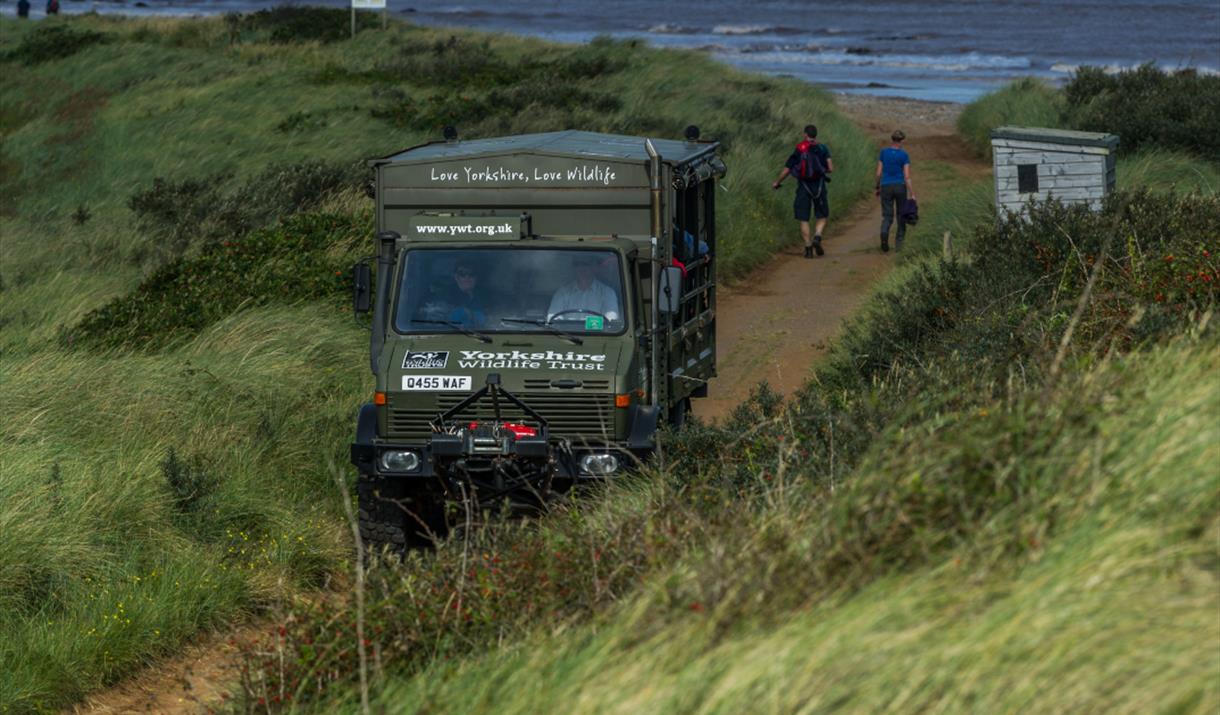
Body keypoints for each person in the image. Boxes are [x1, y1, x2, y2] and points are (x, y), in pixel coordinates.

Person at [772, 124, 833, 258]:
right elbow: (830, 168)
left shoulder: (800, 149)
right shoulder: (823, 148)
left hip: (803, 187)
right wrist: (820, 171)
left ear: (805, 135)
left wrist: (777, 182)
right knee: (822, 215)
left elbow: (788, 169)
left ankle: (808, 246)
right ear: (815, 135)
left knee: (803, 218)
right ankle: (817, 236)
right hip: (819, 186)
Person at [547, 254, 620, 322]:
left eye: (586, 264)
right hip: (565, 335)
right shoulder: (562, 292)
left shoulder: (607, 293)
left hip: (597, 335)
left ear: (594, 267)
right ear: (574, 268)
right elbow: (553, 319)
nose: (582, 268)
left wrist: (589, 326)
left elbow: (611, 320)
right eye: (578, 264)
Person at [876, 129, 915, 252]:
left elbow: (878, 173)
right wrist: (912, 193)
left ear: (892, 139)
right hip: (900, 186)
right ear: (902, 140)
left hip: (886, 186)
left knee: (887, 215)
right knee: (901, 215)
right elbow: (907, 176)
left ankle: (884, 233)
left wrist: (877, 186)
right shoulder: (904, 155)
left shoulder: (883, 152)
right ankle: (899, 244)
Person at [440, 259, 487, 326]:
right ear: (456, 277)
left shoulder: (485, 296)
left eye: (471, 274)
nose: (467, 277)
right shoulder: (445, 296)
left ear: (476, 277)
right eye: (462, 274)